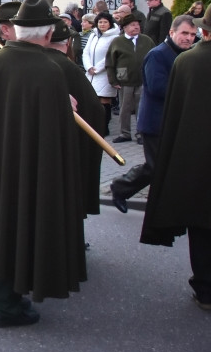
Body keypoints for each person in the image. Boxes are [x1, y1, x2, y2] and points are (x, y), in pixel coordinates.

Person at [0, 0, 86, 328]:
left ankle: (6, 296)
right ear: (46, 36)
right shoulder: (49, 71)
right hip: (31, 171)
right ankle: (7, 306)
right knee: (22, 229)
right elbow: (56, 134)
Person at [140, 0, 211, 310]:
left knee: (202, 224)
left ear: (204, 30)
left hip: (198, 158)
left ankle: (205, 289)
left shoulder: (187, 62)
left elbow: (174, 115)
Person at [110, 15, 198, 213]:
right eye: (184, 33)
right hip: (155, 122)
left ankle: (171, 204)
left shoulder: (185, 54)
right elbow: (158, 88)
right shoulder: (158, 54)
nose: (189, 38)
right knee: (155, 166)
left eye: (193, 34)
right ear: (172, 32)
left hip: (174, 122)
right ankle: (120, 188)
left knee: (169, 166)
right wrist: (191, 91)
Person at [45, 20, 105, 217]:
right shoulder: (69, 68)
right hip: (69, 146)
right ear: (68, 42)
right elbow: (95, 109)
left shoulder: (38, 63)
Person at [105, 13, 154, 143]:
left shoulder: (146, 40)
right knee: (124, 108)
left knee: (141, 107)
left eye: (137, 25)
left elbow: (154, 59)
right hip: (124, 80)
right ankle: (125, 133)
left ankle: (140, 133)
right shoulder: (117, 41)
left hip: (142, 79)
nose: (136, 27)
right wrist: (113, 80)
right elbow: (110, 62)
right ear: (125, 27)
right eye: (133, 25)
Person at [82, 12, 120, 134]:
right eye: (100, 22)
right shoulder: (93, 35)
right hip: (91, 73)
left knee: (104, 100)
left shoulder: (114, 37)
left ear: (110, 24)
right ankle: (95, 124)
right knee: (93, 99)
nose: (102, 24)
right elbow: (86, 52)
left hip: (104, 73)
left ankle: (104, 126)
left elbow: (110, 55)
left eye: (105, 22)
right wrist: (88, 67)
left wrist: (97, 68)